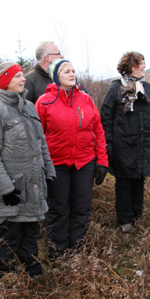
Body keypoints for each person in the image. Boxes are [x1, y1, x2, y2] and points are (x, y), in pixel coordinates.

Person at [0, 62, 56, 277]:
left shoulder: (29, 107)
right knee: (8, 238)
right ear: (5, 81)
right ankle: (6, 284)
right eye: (18, 76)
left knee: (31, 234)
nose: (23, 79)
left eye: (23, 75)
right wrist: (6, 189)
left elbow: (41, 143)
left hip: (34, 187)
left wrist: (49, 173)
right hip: (13, 190)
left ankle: (32, 276)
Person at [35, 59, 108, 258]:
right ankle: (57, 250)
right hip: (56, 163)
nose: (71, 74)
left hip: (84, 162)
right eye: (66, 71)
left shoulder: (86, 99)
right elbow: (37, 136)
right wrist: (39, 164)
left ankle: (78, 248)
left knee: (81, 207)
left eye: (73, 70)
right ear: (55, 76)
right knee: (58, 208)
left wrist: (102, 160)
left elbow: (98, 131)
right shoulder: (44, 102)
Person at [100, 52, 150, 233]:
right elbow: (106, 118)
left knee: (139, 180)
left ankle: (137, 215)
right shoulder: (116, 89)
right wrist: (108, 144)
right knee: (124, 183)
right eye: (141, 63)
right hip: (123, 146)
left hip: (144, 144)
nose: (144, 66)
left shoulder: (147, 88)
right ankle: (125, 220)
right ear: (130, 66)